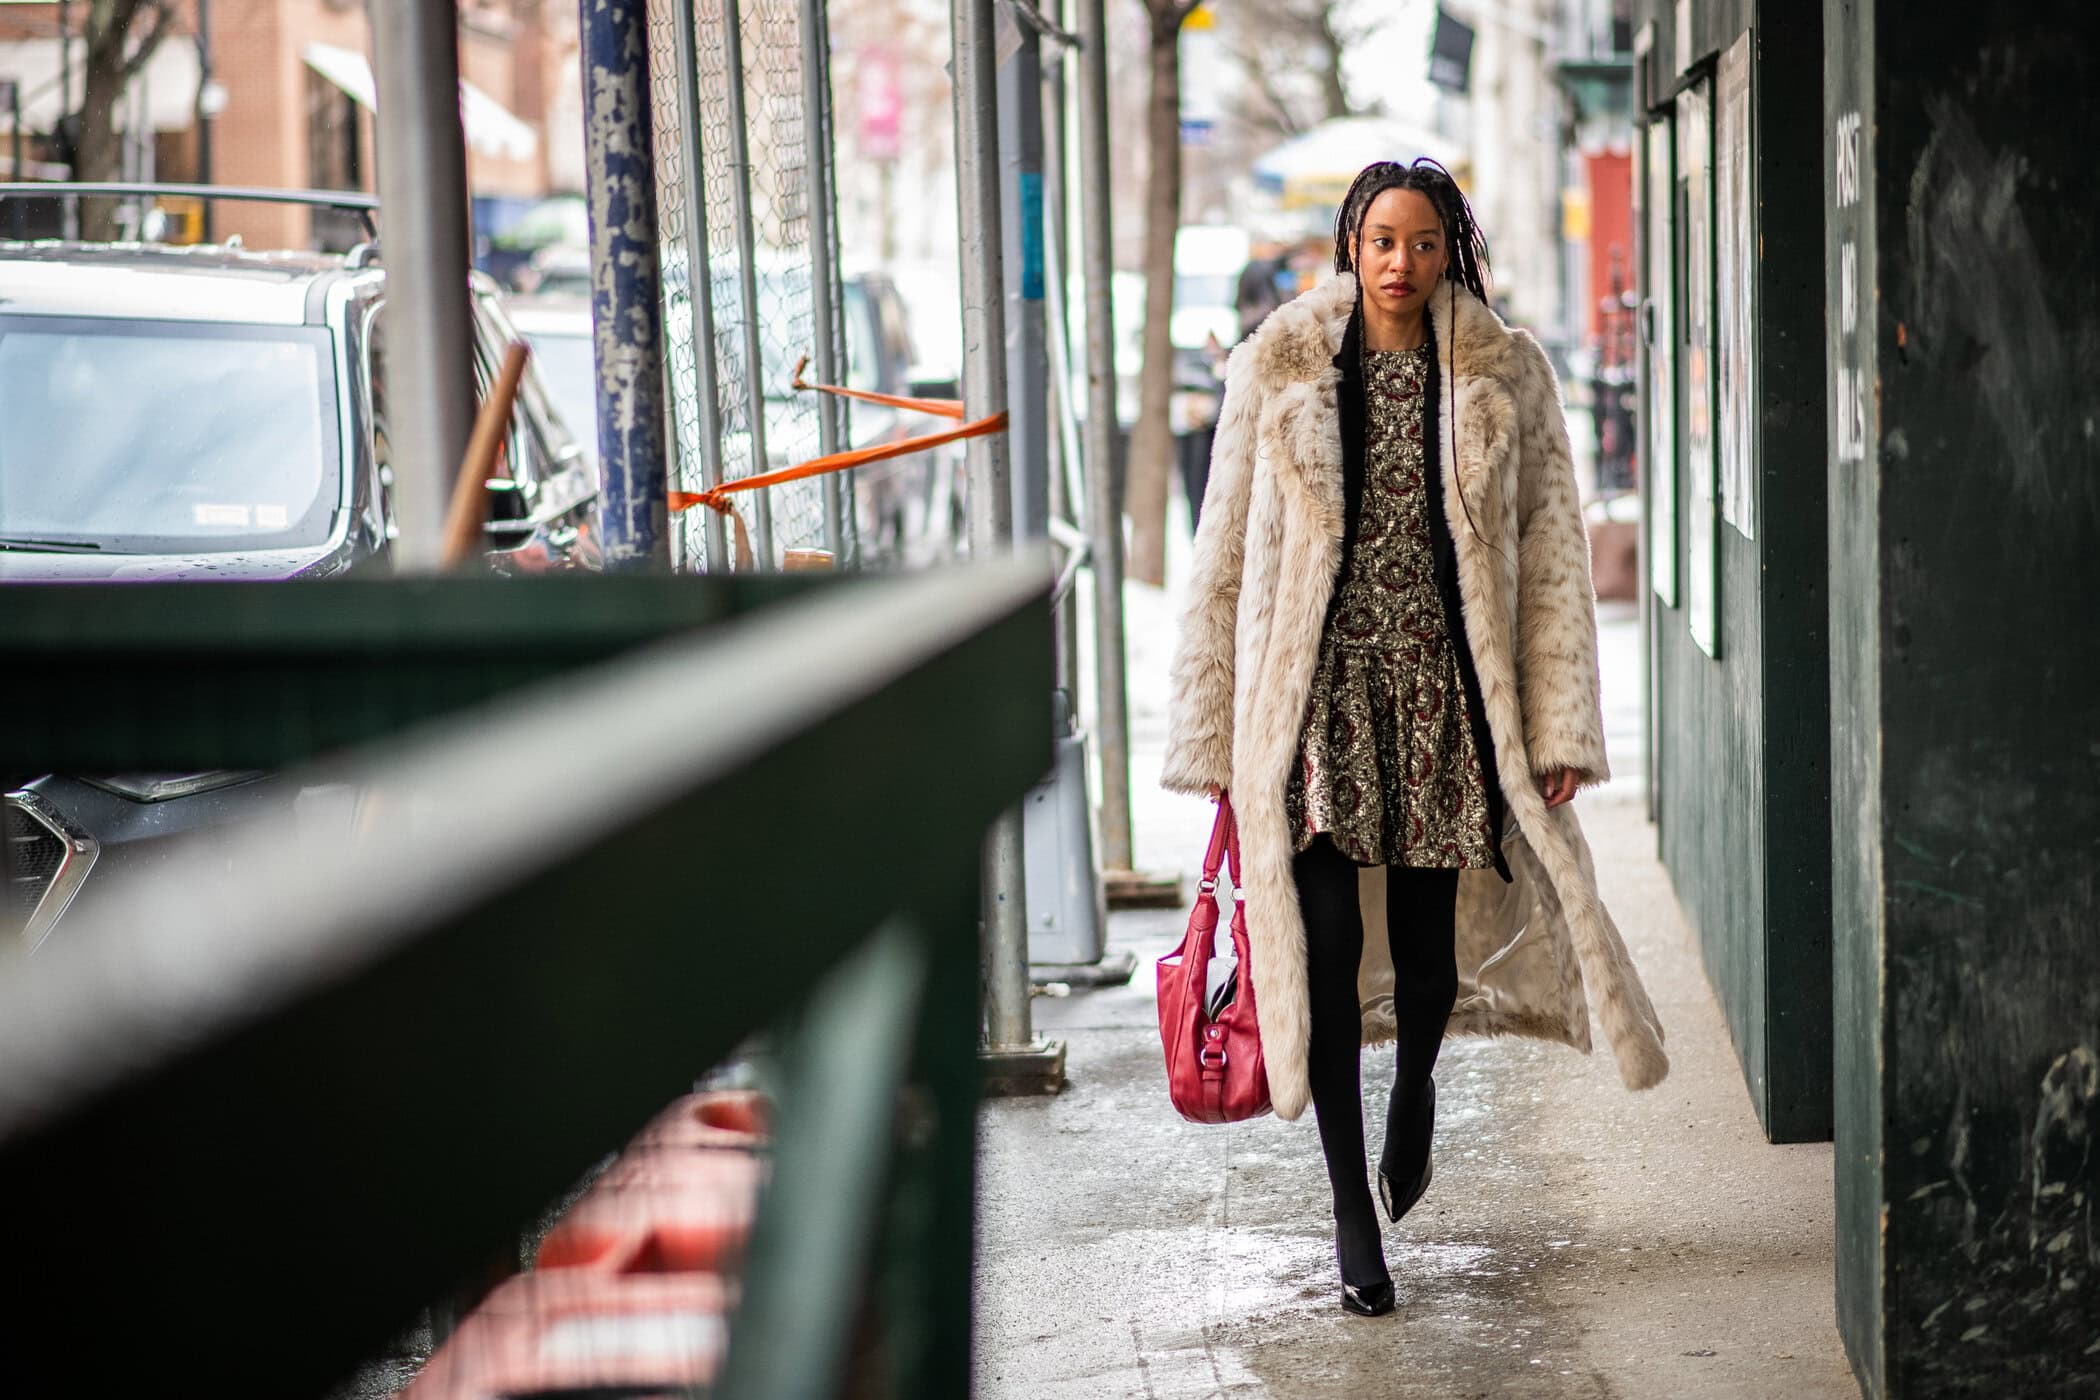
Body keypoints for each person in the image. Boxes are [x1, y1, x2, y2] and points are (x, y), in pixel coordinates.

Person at [1160, 160, 1669, 1317]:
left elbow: (1551, 562)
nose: (1400, 261)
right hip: (1320, 695)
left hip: (1448, 691)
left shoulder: (1501, 369)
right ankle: (1351, 1214)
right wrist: (1211, 737)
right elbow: (1223, 553)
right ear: (1350, 243)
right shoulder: (1277, 364)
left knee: (1429, 960)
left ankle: (1417, 1092)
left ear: (1451, 250)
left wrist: (1559, 725)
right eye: (1381, 239)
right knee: (1328, 948)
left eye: (1423, 241)